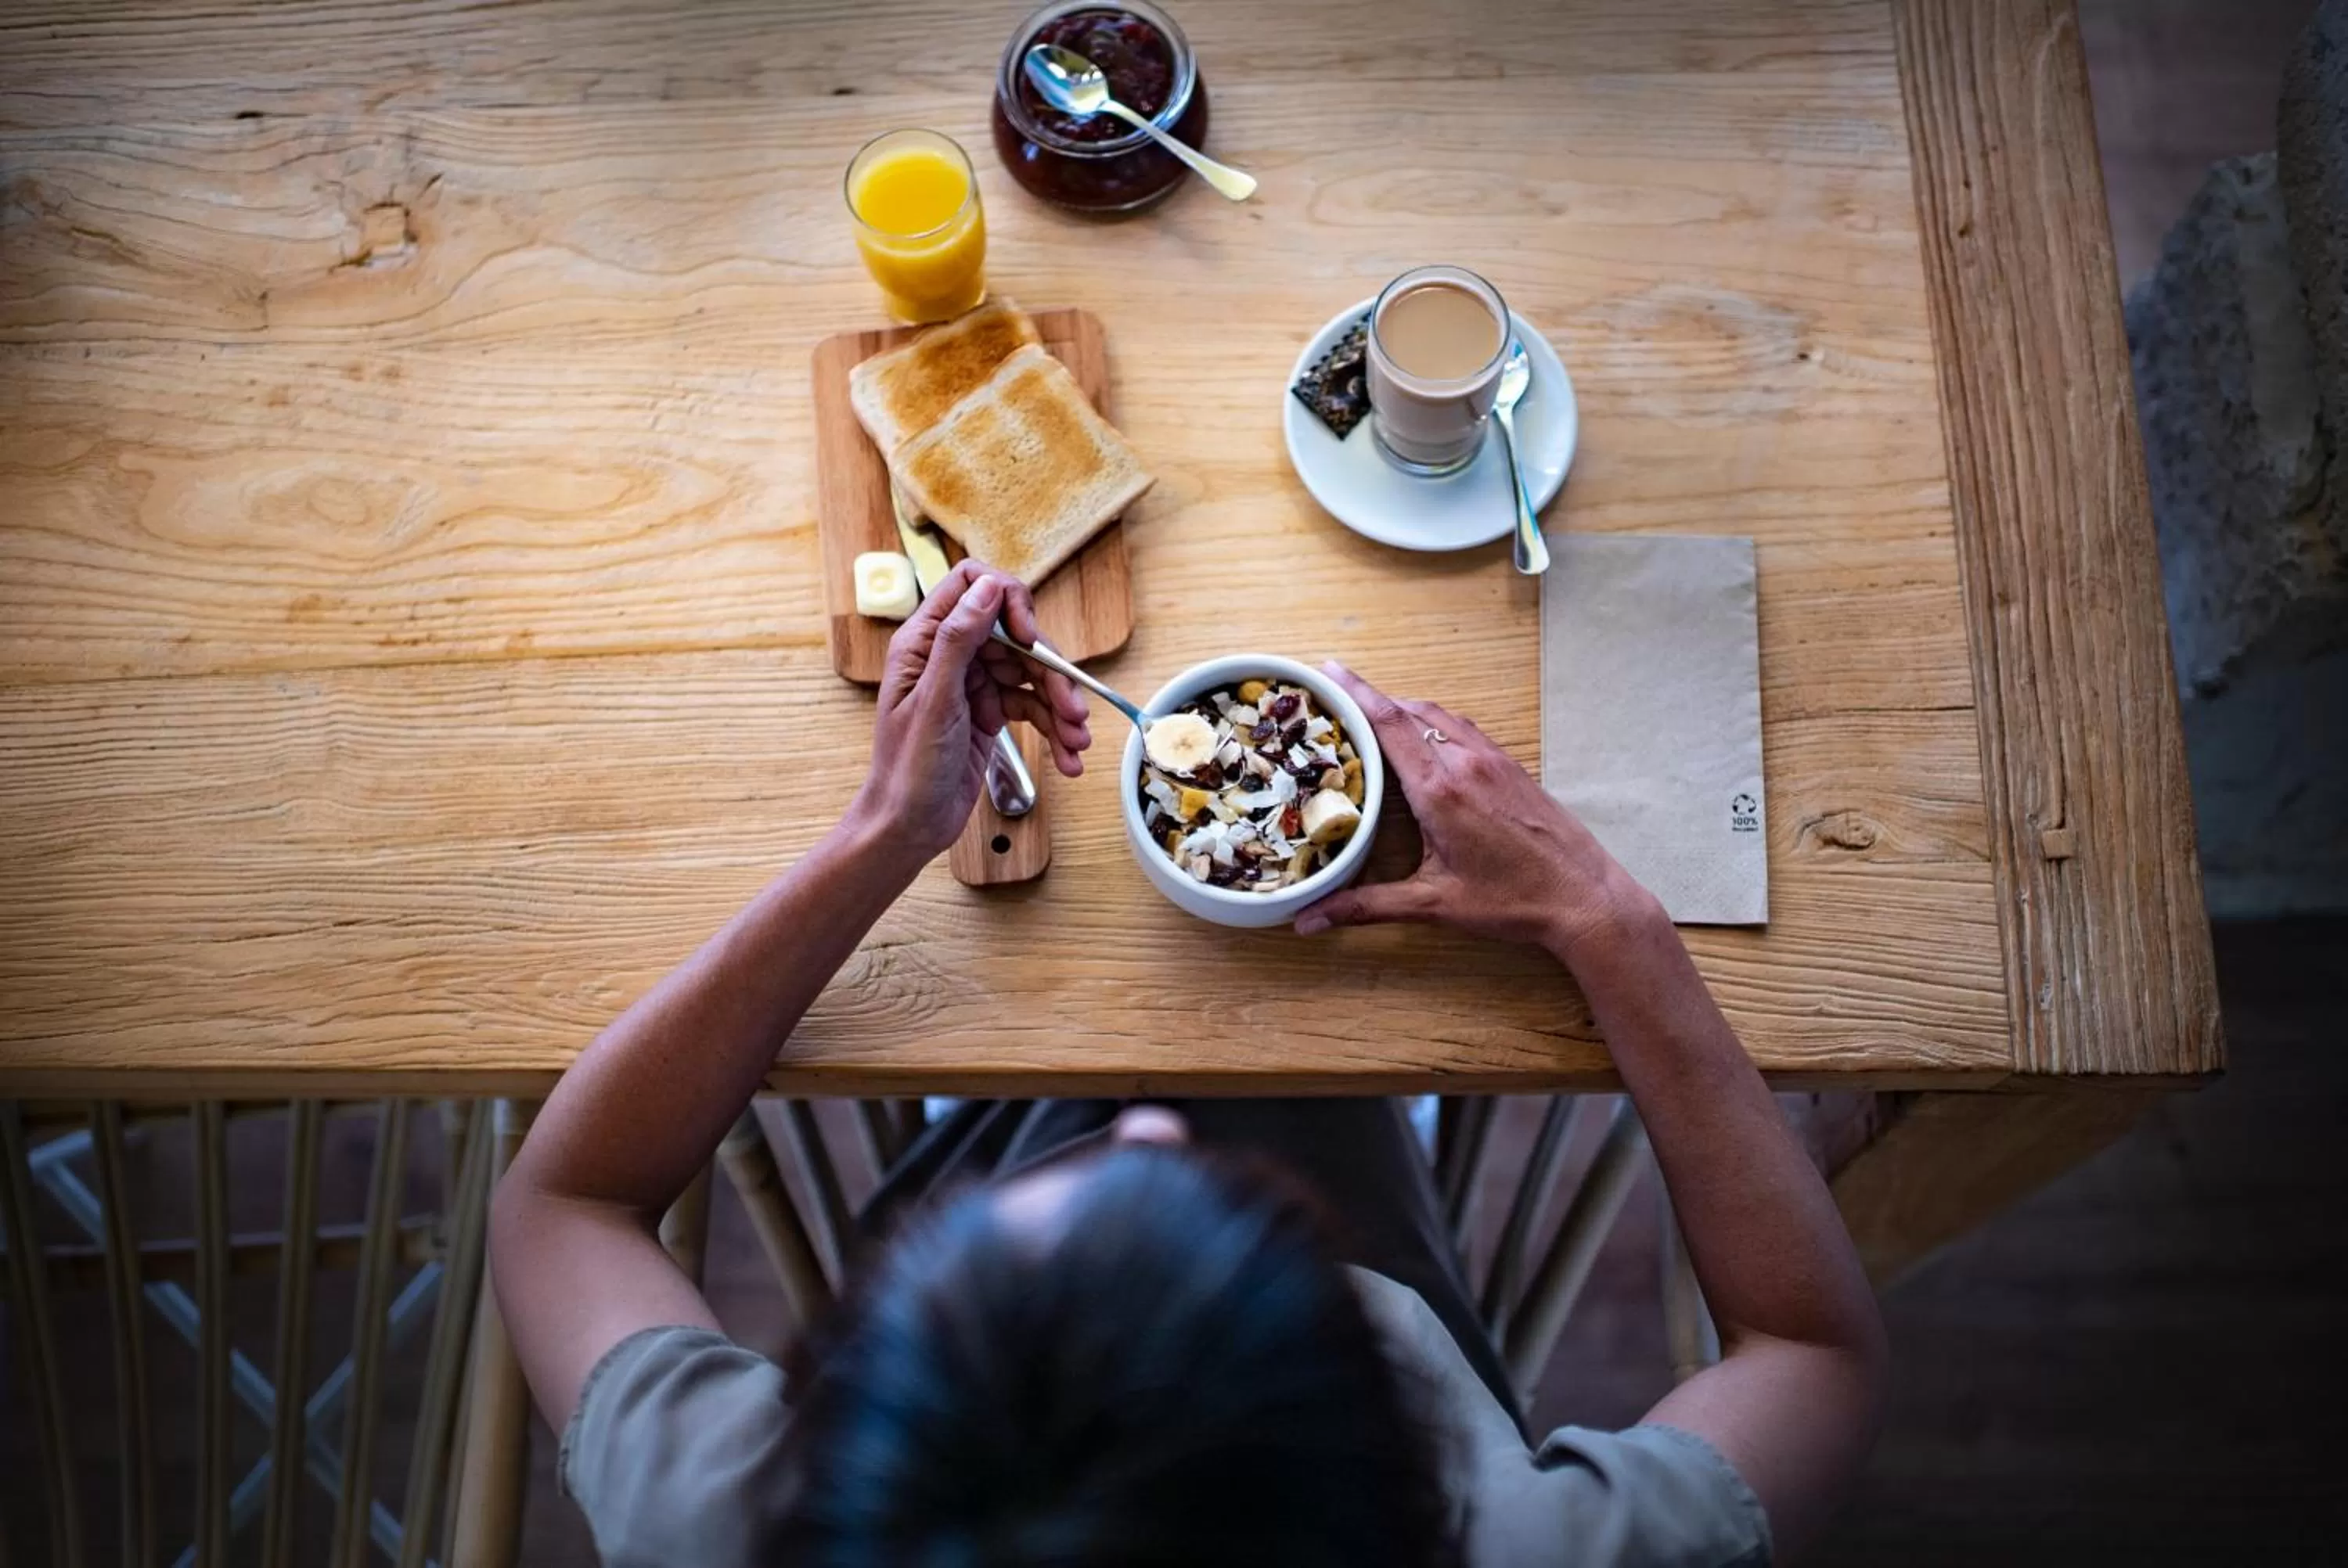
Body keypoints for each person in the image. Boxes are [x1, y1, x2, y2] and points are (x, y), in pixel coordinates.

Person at [490, 562, 1888, 1567]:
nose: (1157, 1132)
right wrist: (1604, 915)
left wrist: (879, 837)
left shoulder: (733, 1518)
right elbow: (1814, 1353)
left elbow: (565, 1203)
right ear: (1388, 1457)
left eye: (987, 1263)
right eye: (1253, 1269)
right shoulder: (1513, 1540)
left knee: (1044, 1108)